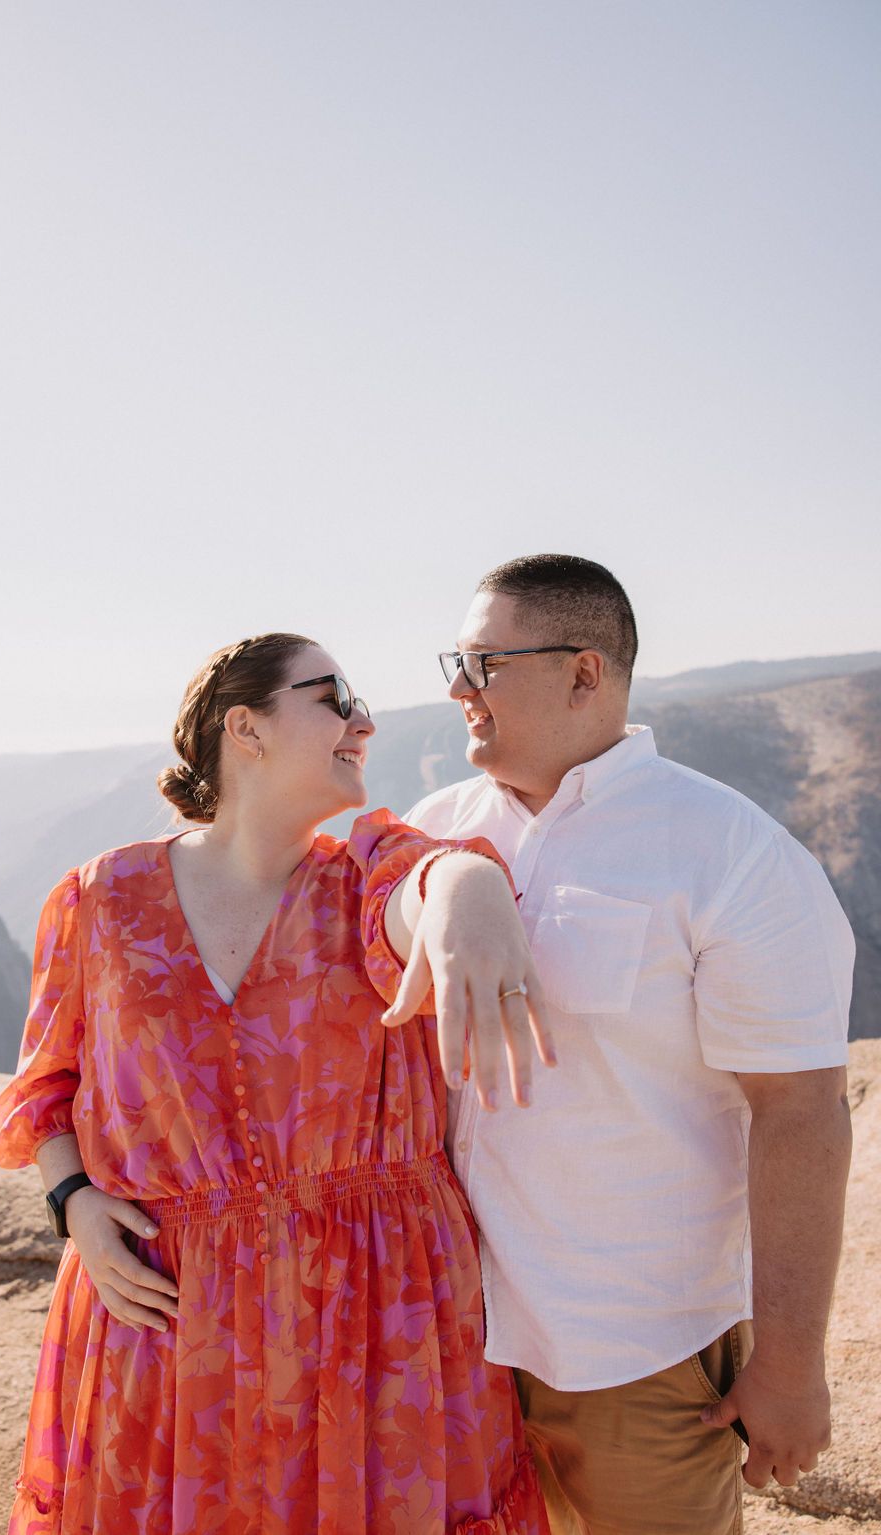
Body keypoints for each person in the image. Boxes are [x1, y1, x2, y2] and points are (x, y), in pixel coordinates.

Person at [0, 632, 552, 1535]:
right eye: (334, 697)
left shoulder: (366, 875)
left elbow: (424, 892)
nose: (364, 721)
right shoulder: (101, 900)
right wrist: (74, 1202)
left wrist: (467, 888)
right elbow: (47, 1083)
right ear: (243, 727)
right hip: (165, 1313)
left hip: (371, 1312)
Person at [386, 555, 854, 1535]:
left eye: (482, 662)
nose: (455, 688)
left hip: (642, 1352)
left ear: (583, 673)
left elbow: (799, 1111)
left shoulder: (730, 851)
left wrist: (790, 1362)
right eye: (456, 661)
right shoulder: (429, 832)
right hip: (449, 1340)